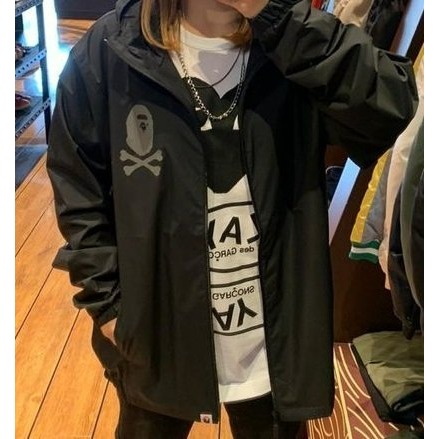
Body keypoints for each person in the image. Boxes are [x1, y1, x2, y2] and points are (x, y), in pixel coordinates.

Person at [46, 0, 418, 437]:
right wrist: (110, 306)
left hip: (274, 346)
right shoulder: (110, 50)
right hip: (156, 337)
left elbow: (391, 107)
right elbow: (78, 187)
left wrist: (279, 17)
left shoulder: (294, 44)